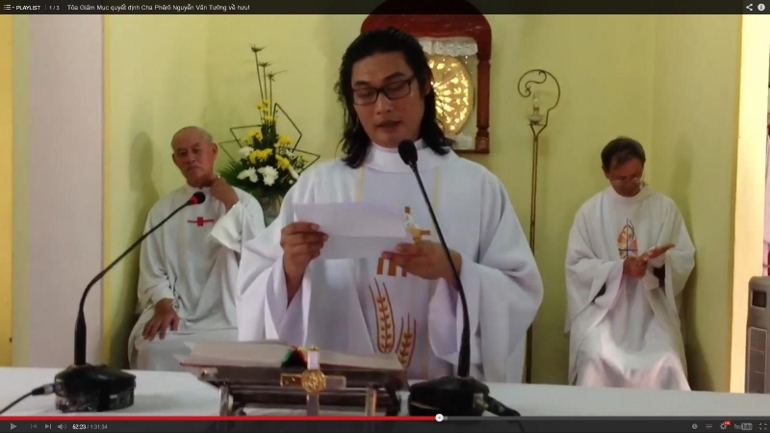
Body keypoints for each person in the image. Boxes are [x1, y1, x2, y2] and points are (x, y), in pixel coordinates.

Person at [220, 27, 544, 382]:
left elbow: (519, 289)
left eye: (395, 86)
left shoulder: (479, 187)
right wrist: (290, 268)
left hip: (439, 395)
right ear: (352, 102)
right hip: (339, 394)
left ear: (423, 84)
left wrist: (456, 269)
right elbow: (254, 285)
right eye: (365, 93)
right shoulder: (320, 184)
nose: (383, 105)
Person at [128, 126, 265, 371]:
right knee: (152, 347)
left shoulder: (244, 202)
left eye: (196, 150)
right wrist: (163, 304)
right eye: (182, 153)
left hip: (229, 310)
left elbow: (259, 257)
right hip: (179, 309)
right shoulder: (163, 208)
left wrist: (231, 203)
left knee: (242, 345)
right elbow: (152, 266)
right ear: (175, 161)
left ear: (213, 151)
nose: (190, 158)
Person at [565, 136, 694, 389]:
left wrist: (657, 265)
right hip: (604, 317)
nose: (629, 184)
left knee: (668, 360)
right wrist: (619, 268)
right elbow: (576, 265)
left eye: (635, 176)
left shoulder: (664, 208)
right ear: (605, 173)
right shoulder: (590, 212)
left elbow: (684, 258)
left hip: (651, 313)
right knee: (594, 359)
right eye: (621, 178)